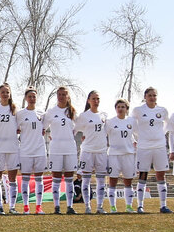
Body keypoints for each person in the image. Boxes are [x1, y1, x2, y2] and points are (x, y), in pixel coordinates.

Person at [132, 87, 172, 213]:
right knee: (143, 174)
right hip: (143, 147)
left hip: (159, 146)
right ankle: (140, 206)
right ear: (145, 96)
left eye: (154, 95)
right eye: (150, 95)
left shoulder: (163, 110)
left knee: (161, 174)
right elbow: (131, 125)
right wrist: (139, 136)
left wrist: (160, 134)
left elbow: (168, 125)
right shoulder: (138, 110)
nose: (152, 97)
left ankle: (163, 205)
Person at [46, 86, 79, 214]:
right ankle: (57, 207)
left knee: (69, 178)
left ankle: (70, 206)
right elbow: (43, 127)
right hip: (55, 149)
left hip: (70, 148)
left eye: (64, 94)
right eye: (59, 94)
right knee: (56, 178)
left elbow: (78, 128)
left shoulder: (73, 112)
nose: (61, 97)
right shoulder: (51, 111)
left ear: (68, 96)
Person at [76, 90, 109, 214]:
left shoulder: (104, 115)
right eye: (93, 99)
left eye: (98, 99)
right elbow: (74, 130)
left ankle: (100, 206)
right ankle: (87, 207)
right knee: (86, 180)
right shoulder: (84, 116)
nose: (96, 101)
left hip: (101, 152)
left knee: (101, 180)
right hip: (87, 152)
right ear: (88, 100)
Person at [0, 84, 21, 215]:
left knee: (12, 178)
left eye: (7, 92)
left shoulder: (15, 109)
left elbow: (20, 127)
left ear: (10, 94)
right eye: (2, 92)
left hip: (13, 148)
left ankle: (12, 207)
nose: (5, 94)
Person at [17, 88, 47, 215]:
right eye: (29, 96)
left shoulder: (42, 113)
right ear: (25, 98)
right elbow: (15, 129)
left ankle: (38, 207)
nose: (32, 99)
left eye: (34, 96)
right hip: (25, 152)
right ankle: (26, 207)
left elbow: (44, 128)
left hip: (40, 150)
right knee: (25, 179)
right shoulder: (20, 114)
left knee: (39, 179)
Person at [106, 98, 136, 212]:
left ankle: (129, 206)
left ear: (127, 109)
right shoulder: (110, 122)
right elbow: (102, 134)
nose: (120, 109)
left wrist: (135, 141)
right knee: (113, 180)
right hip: (114, 154)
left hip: (128, 154)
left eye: (123, 107)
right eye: (118, 107)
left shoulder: (132, 121)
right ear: (115, 109)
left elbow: (137, 133)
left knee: (128, 181)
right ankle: (112, 206)